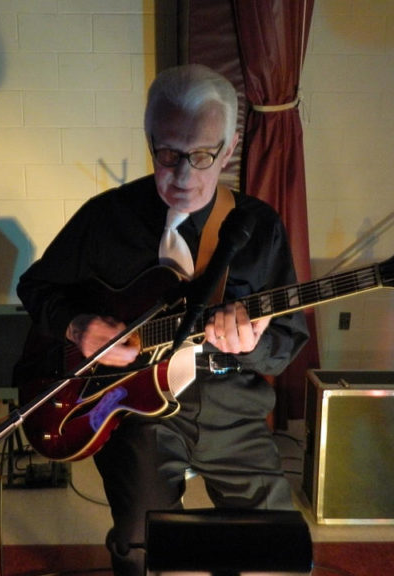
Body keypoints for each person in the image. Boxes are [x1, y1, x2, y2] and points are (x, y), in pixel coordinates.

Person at [16, 63, 309, 576]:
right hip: (132, 408)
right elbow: (35, 286)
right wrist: (76, 326)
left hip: (231, 406)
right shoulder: (105, 218)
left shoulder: (258, 227)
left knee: (275, 543)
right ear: (150, 141)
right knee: (138, 543)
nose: (183, 177)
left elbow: (287, 341)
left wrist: (249, 344)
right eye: (168, 154)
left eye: (202, 155)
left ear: (231, 146)